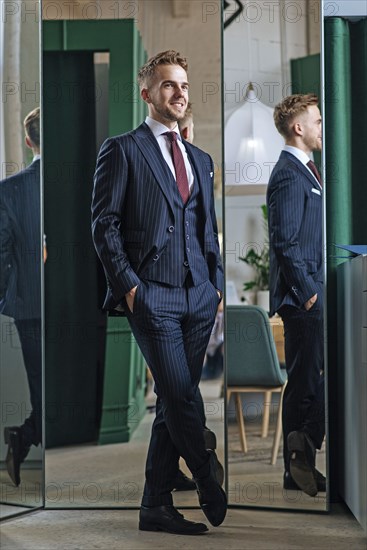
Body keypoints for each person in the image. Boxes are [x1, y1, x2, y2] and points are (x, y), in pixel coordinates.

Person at [92, 50, 226, 535]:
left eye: (185, 85)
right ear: (146, 92)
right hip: (152, 294)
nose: (179, 93)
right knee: (179, 392)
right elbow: (103, 225)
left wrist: (215, 288)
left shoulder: (200, 159)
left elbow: (206, 228)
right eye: (168, 84)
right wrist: (129, 287)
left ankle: (154, 504)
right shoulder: (123, 148)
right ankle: (208, 472)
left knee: (175, 399)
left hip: (198, 297)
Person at [267, 94, 326, 497]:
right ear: (298, 128)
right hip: (302, 298)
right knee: (306, 380)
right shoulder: (289, 173)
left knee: (309, 379)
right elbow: (285, 242)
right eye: (317, 121)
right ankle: (300, 457)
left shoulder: (306, 169)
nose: (322, 127)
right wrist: (309, 295)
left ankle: (299, 464)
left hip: (311, 293)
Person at [0, 107, 42, 486]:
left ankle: (24, 435)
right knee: (52, 393)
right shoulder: (82, 181)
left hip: (28, 303)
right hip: (70, 303)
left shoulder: (8, 189)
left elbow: (0, 253)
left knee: (44, 389)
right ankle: (25, 435)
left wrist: (4, 298)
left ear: (28, 141)